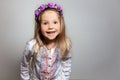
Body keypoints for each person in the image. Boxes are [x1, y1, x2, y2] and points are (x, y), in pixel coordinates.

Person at [20, 2, 72, 80]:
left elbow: (66, 63)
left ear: (61, 24)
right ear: (39, 27)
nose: (50, 27)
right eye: (45, 23)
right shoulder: (32, 45)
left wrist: (65, 78)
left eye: (55, 22)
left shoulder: (64, 44)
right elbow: (24, 65)